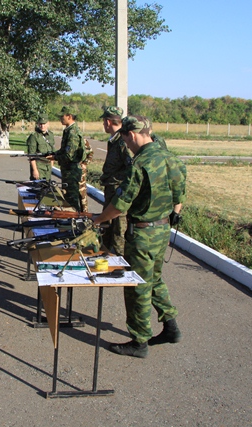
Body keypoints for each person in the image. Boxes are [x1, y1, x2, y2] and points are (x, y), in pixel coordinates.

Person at [93, 116, 186, 358]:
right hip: (162, 230)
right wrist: (173, 214)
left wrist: (98, 220)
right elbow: (179, 197)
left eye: (125, 140)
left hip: (143, 233)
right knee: (154, 279)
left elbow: (120, 205)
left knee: (137, 286)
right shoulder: (172, 159)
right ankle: (171, 326)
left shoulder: (140, 164)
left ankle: (139, 341)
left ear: (131, 135)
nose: (126, 145)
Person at [99, 106, 131, 256]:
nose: (103, 124)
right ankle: (106, 256)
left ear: (108, 122)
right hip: (111, 191)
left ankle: (120, 263)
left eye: (104, 121)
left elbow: (131, 169)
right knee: (107, 228)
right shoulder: (114, 140)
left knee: (119, 231)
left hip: (119, 193)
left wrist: (118, 184)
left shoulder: (122, 141)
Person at [46, 106, 89, 212]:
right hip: (68, 171)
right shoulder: (69, 130)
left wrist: (55, 157)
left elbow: (69, 155)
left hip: (72, 171)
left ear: (69, 116)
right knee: (68, 197)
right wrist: (54, 153)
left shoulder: (72, 132)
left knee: (71, 200)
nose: (60, 118)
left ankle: (75, 219)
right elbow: (64, 150)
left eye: (62, 116)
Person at [26, 114, 55, 181]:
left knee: (47, 185)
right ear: (38, 124)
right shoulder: (34, 136)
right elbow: (31, 155)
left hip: (48, 166)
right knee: (38, 185)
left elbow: (52, 151)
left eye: (44, 124)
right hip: (39, 166)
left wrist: (51, 165)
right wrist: (35, 170)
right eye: (40, 124)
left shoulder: (51, 135)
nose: (42, 126)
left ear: (48, 123)